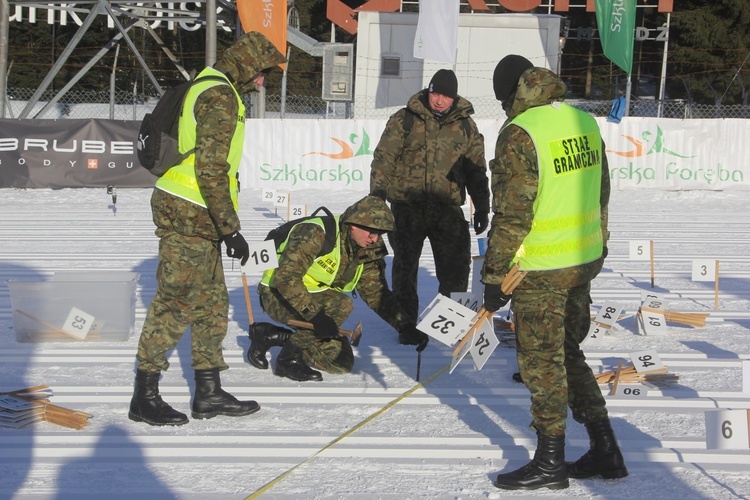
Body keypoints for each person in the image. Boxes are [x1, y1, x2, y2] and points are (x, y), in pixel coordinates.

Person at [481, 55, 627, 490]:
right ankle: (605, 448)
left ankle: (549, 462)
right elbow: (602, 192)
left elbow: (511, 216)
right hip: (582, 260)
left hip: (540, 269)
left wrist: (493, 279)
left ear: (511, 93)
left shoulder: (520, 132)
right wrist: (598, 246)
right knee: (567, 354)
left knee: (542, 363)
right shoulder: (583, 122)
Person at [128, 32, 287, 427]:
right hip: (189, 213)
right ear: (248, 63)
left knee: (213, 304)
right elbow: (211, 168)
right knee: (174, 302)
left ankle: (208, 391)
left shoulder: (208, 83)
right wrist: (231, 229)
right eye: (263, 73)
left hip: (198, 213)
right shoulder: (221, 96)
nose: (263, 82)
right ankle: (144, 396)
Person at [250, 195, 429, 382]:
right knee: (342, 305)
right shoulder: (315, 233)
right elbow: (285, 278)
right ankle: (288, 360)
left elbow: (376, 293)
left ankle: (272, 335)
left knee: (340, 363)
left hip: (314, 296)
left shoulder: (368, 246)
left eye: (379, 234)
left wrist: (404, 325)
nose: (374, 239)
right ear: (353, 223)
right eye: (370, 232)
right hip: (277, 294)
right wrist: (316, 316)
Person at [369, 69, 490, 334]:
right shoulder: (405, 119)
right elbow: (384, 158)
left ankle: (450, 323)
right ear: (428, 91)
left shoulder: (466, 126)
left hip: (447, 209)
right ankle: (406, 324)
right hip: (407, 207)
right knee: (404, 267)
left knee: (456, 268)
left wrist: (482, 205)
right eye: (436, 93)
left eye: (446, 96)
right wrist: (377, 196)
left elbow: (476, 169)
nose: (439, 101)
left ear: (454, 97)